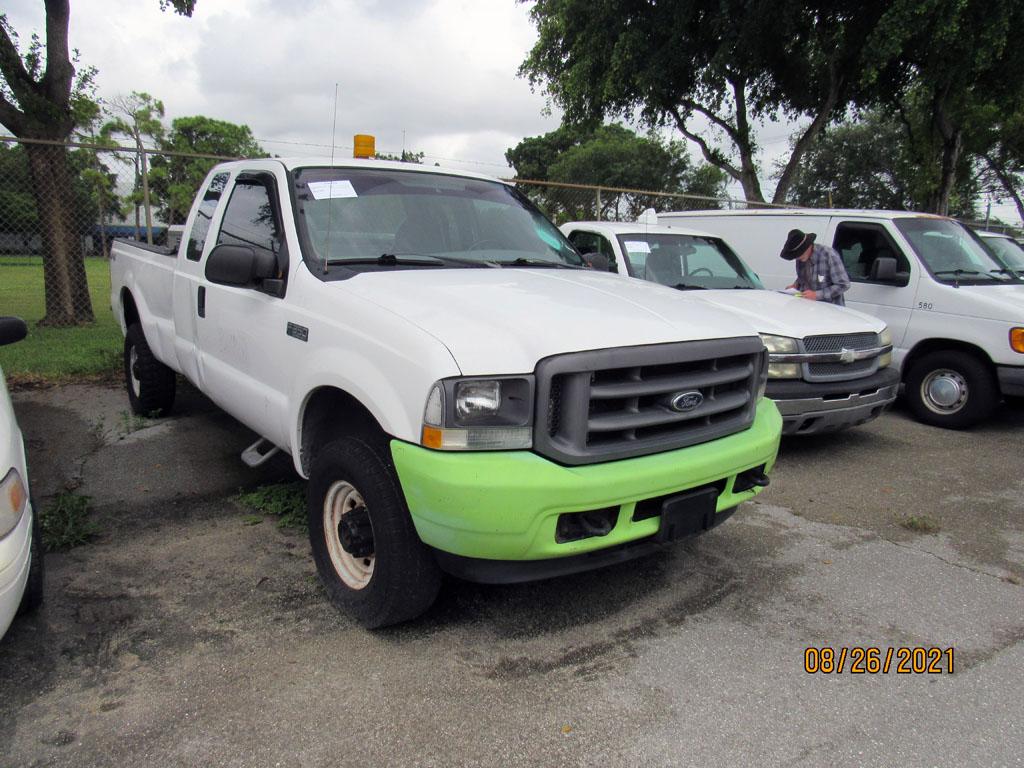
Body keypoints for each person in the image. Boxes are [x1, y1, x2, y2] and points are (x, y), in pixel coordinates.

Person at [780, 229, 850, 305]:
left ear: (808, 246)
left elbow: (843, 284)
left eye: (799, 253)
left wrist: (817, 295)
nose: (797, 257)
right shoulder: (800, 258)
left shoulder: (829, 255)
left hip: (830, 310)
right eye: (795, 255)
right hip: (809, 308)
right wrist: (795, 286)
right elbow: (802, 278)